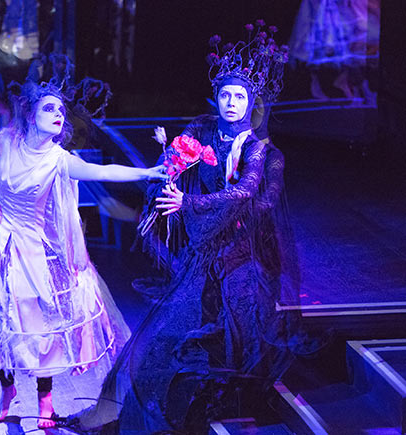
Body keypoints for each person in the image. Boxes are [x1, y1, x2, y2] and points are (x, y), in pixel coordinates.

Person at [77, 25, 319, 434]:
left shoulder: (261, 151)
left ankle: (221, 405)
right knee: (165, 331)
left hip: (242, 254)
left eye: (239, 97)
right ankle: (149, 414)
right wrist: (168, 169)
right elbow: (177, 158)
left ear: (251, 103)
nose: (231, 103)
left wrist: (189, 203)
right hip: (204, 249)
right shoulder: (204, 128)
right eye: (225, 95)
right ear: (216, 96)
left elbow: (247, 192)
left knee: (236, 330)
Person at [0, 80, 166, 429]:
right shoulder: (3, 142)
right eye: (49, 108)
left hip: (34, 252)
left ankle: (45, 399)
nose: (58, 114)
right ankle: (7, 390)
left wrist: (147, 172)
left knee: (40, 328)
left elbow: (103, 172)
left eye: (61, 110)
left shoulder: (58, 159)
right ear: (30, 115)